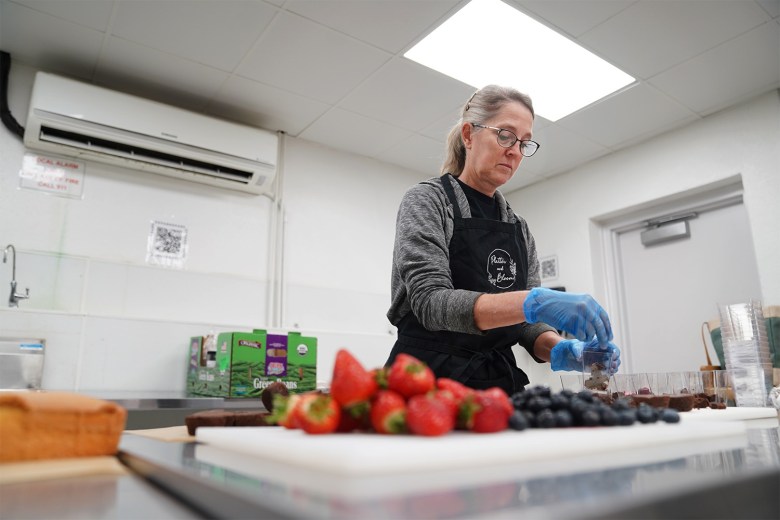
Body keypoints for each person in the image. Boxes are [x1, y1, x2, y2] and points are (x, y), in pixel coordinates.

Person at [385, 85, 620, 395]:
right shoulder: (428, 201)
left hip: (498, 388)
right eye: (505, 135)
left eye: (524, 143)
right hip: (425, 384)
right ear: (468, 135)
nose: (515, 151)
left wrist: (564, 350)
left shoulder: (518, 227)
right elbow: (430, 302)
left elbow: (525, 324)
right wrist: (535, 302)